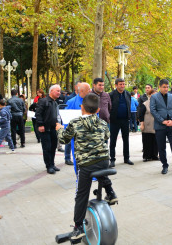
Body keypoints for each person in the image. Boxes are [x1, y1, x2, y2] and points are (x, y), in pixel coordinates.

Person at [55, 93, 118, 240]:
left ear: (81, 108)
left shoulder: (75, 122)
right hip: (104, 160)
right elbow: (107, 136)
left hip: (86, 165)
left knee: (81, 195)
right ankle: (111, 192)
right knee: (101, 166)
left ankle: (77, 229)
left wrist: (59, 128)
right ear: (97, 110)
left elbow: (64, 139)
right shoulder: (102, 122)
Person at [35, 84, 62, 174]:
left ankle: (52, 164)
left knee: (53, 147)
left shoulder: (54, 102)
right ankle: (48, 166)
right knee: (47, 148)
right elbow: (38, 114)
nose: (59, 93)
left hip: (53, 128)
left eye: (59, 91)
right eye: (57, 91)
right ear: (51, 91)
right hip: (45, 129)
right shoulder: (43, 101)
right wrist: (40, 125)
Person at [109, 78, 133, 167]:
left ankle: (126, 158)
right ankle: (112, 159)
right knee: (113, 140)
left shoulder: (127, 94)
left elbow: (129, 105)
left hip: (125, 120)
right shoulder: (111, 94)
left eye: (123, 84)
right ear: (116, 85)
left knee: (126, 140)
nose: (122, 86)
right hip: (114, 121)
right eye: (120, 84)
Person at [65, 83, 91, 167]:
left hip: (89, 135)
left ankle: (92, 175)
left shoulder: (91, 101)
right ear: (82, 91)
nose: (90, 91)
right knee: (78, 157)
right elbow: (66, 119)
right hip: (76, 136)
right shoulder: (71, 102)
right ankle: (79, 177)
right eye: (88, 89)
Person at [138, 89, 158, 161]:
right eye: (152, 94)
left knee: (156, 141)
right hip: (147, 125)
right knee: (147, 141)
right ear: (149, 95)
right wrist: (142, 124)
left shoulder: (159, 103)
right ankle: (146, 156)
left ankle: (154, 155)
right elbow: (141, 114)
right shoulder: (145, 103)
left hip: (156, 125)